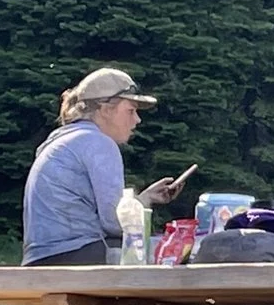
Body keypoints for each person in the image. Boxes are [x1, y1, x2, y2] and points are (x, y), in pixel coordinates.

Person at [21, 68, 194, 264]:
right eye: (130, 111)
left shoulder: (63, 139)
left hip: (42, 258)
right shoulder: (98, 142)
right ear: (105, 110)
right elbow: (116, 223)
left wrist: (145, 198)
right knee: (183, 252)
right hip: (76, 254)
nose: (137, 120)